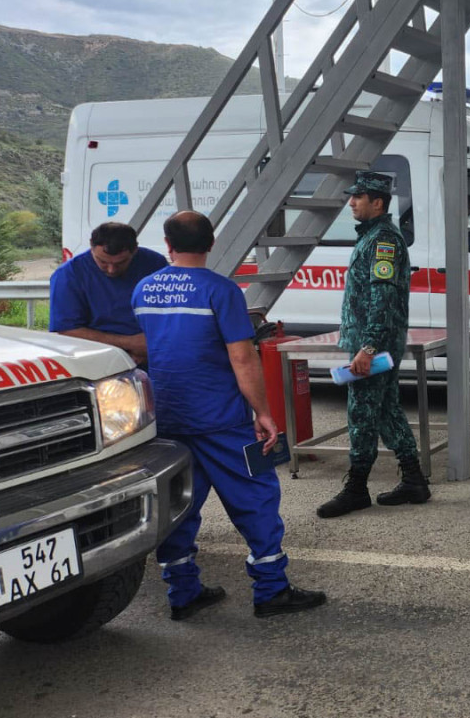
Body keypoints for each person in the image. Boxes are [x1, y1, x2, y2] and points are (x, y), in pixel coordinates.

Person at [133, 211, 326, 620]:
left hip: (168, 417)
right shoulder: (221, 291)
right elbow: (242, 357)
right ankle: (271, 589)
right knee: (255, 497)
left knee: (179, 504)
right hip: (220, 417)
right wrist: (263, 413)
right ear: (212, 243)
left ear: (168, 244)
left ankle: (183, 592)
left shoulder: (144, 289)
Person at [317, 171, 426, 519]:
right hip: (374, 342)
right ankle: (414, 480)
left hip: (373, 344)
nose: (351, 202)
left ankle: (356, 489)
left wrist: (368, 348)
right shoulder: (373, 237)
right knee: (385, 410)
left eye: (358, 197)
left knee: (362, 414)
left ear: (377, 202)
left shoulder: (383, 241)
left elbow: (383, 298)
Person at [50, 222, 168, 365]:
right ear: (91, 246)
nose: (111, 269)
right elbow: (66, 330)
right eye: (102, 261)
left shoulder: (155, 264)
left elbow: (171, 314)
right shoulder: (69, 274)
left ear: (135, 250)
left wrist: (149, 347)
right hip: (96, 358)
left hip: (155, 354)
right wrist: (131, 343)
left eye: (121, 263)